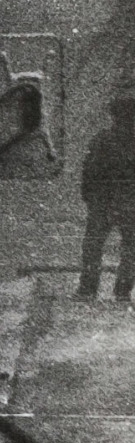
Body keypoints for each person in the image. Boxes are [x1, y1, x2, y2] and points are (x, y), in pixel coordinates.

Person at [81, 91, 135, 302]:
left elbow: (89, 171)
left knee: (93, 244)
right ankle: (122, 289)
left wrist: (89, 195)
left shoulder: (102, 139)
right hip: (129, 201)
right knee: (130, 247)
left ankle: (88, 288)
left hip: (103, 200)